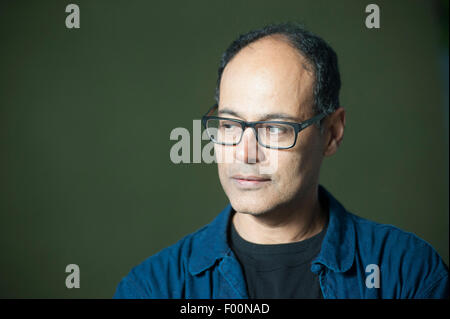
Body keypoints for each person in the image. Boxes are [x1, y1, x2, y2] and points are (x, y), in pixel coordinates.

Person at [113, 22, 449, 299]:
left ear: (331, 133)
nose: (245, 153)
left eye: (274, 128)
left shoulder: (408, 274)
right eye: (230, 125)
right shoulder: (152, 288)